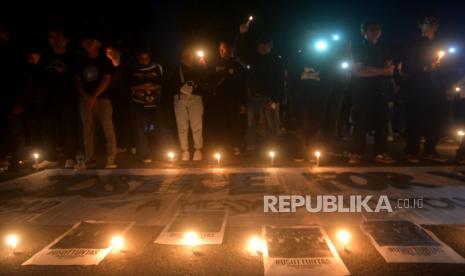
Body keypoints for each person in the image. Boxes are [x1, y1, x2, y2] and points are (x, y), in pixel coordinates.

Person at [30, 28, 80, 169]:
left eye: (58, 36)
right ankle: (51, 157)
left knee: (69, 128)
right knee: (48, 129)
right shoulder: (46, 57)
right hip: (49, 99)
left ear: (66, 39)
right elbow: (38, 76)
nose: (54, 40)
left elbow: (76, 77)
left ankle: (70, 157)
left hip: (68, 98)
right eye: (51, 37)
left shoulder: (72, 57)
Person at [403, 16, 448, 163]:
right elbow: (406, 67)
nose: (432, 26)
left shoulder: (440, 44)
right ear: (420, 25)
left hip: (437, 89)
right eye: (428, 23)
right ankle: (411, 151)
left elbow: (449, 67)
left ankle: (430, 151)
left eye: (435, 23)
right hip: (417, 88)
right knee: (415, 120)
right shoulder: (413, 44)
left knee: (434, 121)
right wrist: (425, 68)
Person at [349, 21, 395, 164]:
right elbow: (358, 72)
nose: (375, 32)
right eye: (372, 30)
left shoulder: (384, 48)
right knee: (360, 122)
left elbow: (390, 71)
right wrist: (381, 72)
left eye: (378, 29)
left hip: (381, 90)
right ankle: (357, 153)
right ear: (364, 31)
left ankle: (381, 152)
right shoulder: (357, 49)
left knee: (382, 122)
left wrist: (368, 68)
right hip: (362, 90)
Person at [236, 21, 286, 154]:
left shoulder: (277, 60)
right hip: (253, 97)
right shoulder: (253, 58)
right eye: (260, 45)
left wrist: (276, 99)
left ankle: (272, 149)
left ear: (270, 46)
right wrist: (242, 35)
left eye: (266, 45)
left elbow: (280, 81)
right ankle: (250, 148)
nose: (263, 48)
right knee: (251, 125)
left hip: (269, 98)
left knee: (271, 126)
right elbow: (239, 53)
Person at [74, 32, 117, 169]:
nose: (87, 44)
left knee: (107, 128)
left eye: (90, 41)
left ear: (98, 44)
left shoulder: (104, 60)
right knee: (87, 129)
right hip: (85, 99)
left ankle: (111, 158)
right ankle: (89, 158)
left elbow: (106, 79)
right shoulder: (80, 61)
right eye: (85, 42)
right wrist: (86, 96)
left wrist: (94, 96)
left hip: (102, 98)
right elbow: (77, 80)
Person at [169, 46, 210, 161]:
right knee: (182, 126)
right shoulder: (177, 70)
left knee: (197, 125)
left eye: (190, 54)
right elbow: (171, 84)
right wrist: (181, 88)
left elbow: (206, 81)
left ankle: (198, 150)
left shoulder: (199, 67)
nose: (188, 56)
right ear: (181, 56)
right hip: (180, 98)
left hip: (196, 98)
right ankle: (185, 151)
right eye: (185, 54)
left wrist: (204, 68)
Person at [207, 39, 247, 156]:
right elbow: (209, 80)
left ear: (230, 49)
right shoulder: (214, 63)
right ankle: (222, 146)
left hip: (234, 100)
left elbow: (242, 85)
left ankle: (235, 146)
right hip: (219, 100)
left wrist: (243, 103)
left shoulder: (237, 65)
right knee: (220, 123)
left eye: (224, 48)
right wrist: (205, 68)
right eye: (220, 49)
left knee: (235, 123)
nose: (222, 51)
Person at [128, 48, 163, 163]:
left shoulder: (156, 67)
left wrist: (150, 87)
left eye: (146, 58)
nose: (144, 61)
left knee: (154, 128)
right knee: (141, 129)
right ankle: (145, 154)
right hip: (138, 103)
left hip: (153, 103)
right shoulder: (133, 68)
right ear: (138, 58)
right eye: (141, 59)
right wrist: (142, 86)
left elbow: (160, 84)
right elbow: (130, 86)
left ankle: (158, 153)